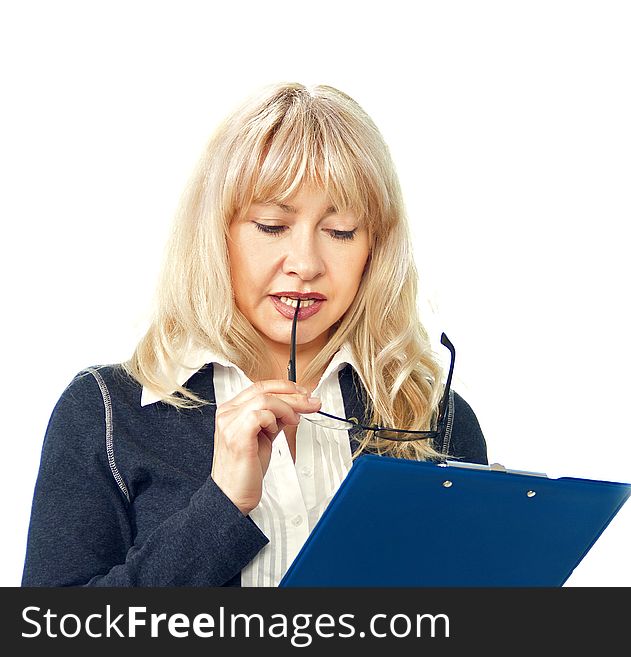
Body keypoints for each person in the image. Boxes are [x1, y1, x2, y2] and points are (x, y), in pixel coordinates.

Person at [22, 83, 487, 587]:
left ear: (375, 249)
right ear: (217, 235)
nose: (306, 265)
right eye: (271, 226)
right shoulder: (106, 412)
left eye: (341, 232)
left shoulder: (433, 415)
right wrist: (220, 507)